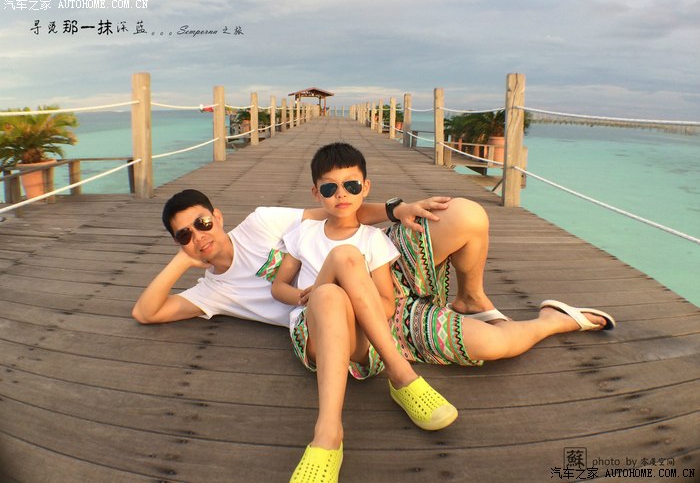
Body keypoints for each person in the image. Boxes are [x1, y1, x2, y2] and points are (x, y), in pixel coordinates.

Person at [133, 143, 615, 480]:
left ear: (217, 215)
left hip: (383, 297)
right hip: (329, 324)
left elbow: (342, 210)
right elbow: (147, 312)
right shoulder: (212, 291)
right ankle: (332, 431)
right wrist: (183, 259)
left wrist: (397, 209)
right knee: (329, 291)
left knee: (485, 303)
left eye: (202, 223)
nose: (199, 236)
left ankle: (532, 314)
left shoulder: (264, 223)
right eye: (184, 234)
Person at [270, 142, 457, 482]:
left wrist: (357, 300)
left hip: (360, 340)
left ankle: (328, 436)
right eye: (330, 188)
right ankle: (397, 378)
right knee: (335, 273)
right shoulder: (303, 233)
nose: (341, 194)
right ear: (316, 193)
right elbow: (278, 287)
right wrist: (300, 295)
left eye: (351, 185)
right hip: (313, 333)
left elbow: (386, 304)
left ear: (365, 187)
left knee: (345, 263)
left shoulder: (373, 239)